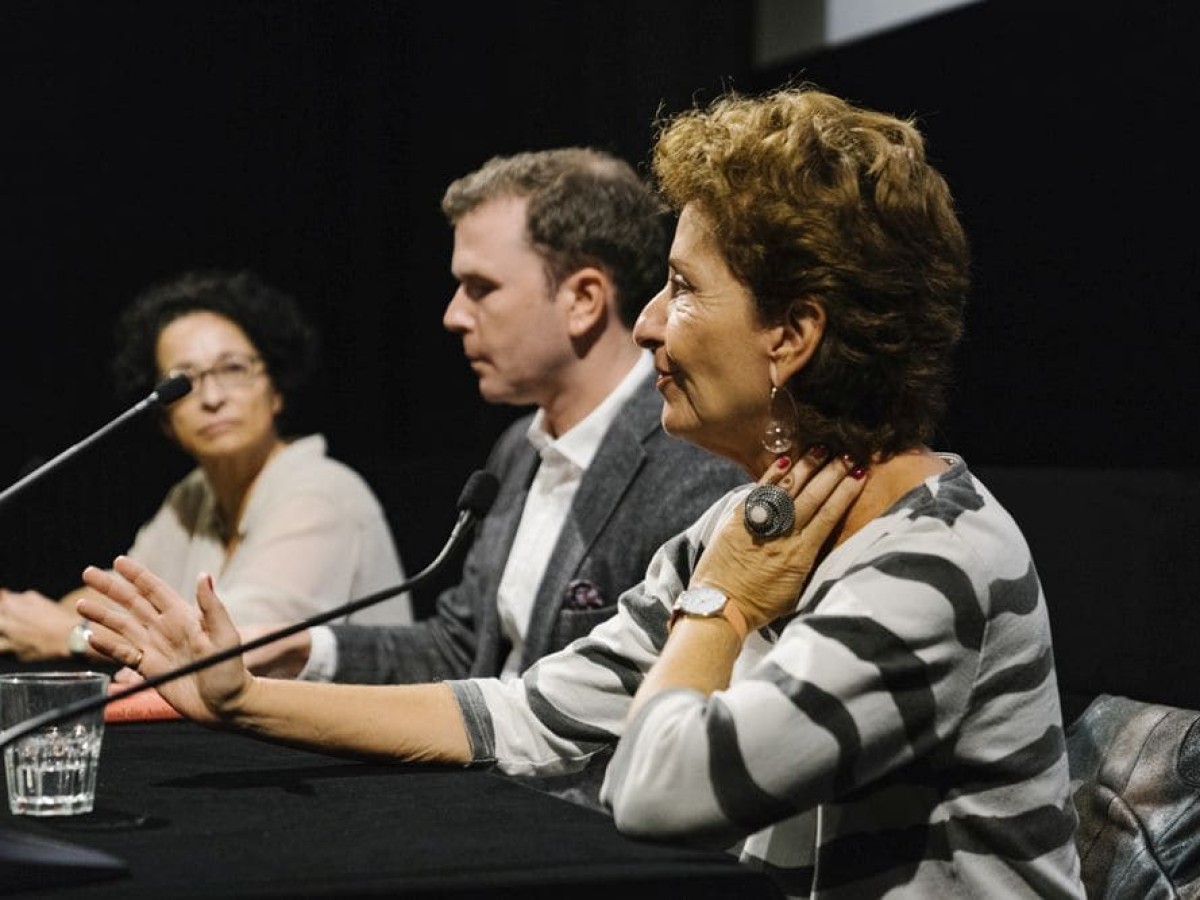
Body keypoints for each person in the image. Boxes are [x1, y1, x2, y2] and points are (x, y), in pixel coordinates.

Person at [78, 85, 1085, 898]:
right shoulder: (741, 526)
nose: (648, 323)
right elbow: (522, 715)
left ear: (792, 334)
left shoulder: (931, 557)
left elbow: (663, 791)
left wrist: (722, 605)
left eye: (684, 288)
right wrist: (246, 698)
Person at [240, 147, 747, 685]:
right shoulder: (518, 448)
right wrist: (299, 649)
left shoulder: (696, 460)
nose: (453, 315)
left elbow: (654, 702)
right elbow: (463, 649)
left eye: (480, 289)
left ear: (583, 298)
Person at [0, 269, 411, 662]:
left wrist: (71, 637)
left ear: (276, 392)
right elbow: (115, 596)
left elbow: (230, 649)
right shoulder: (192, 497)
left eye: (233, 369)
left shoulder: (325, 492)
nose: (212, 397)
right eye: (185, 381)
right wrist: (22, 617)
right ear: (164, 420)